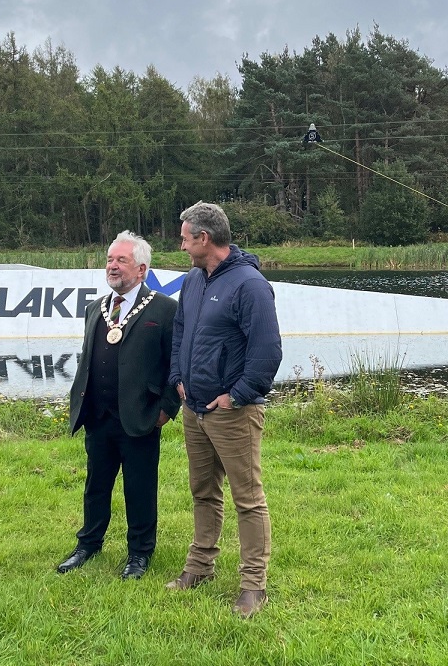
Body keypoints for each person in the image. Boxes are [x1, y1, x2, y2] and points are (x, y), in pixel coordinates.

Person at [166, 202, 282, 618]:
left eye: (184, 238)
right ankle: (200, 567)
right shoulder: (194, 281)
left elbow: (267, 351)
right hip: (194, 408)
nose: (181, 245)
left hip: (233, 412)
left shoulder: (250, 285)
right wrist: (178, 376)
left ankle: (254, 586)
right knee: (203, 491)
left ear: (204, 238)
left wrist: (237, 395)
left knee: (247, 498)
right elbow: (181, 332)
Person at [56, 231, 179, 580]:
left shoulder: (165, 309)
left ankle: (139, 553)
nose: (112, 266)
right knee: (96, 485)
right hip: (98, 415)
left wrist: (166, 409)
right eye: (110, 259)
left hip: (141, 417)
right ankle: (88, 544)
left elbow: (176, 364)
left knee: (139, 488)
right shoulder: (95, 308)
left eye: (121, 260)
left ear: (141, 269)